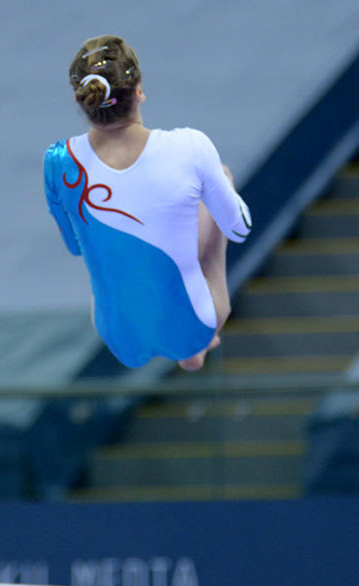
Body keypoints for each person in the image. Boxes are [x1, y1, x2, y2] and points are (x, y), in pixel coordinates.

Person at [43, 35, 252, 371]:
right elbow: (239, 228)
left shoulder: (57, 160)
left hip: (118, 337)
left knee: (112, 243)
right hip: (194, 327)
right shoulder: (189, 146)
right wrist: (221, 185)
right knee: (216, 182)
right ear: (139, 90)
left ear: (80, 100)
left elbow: (74, 246)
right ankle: (194, 348)